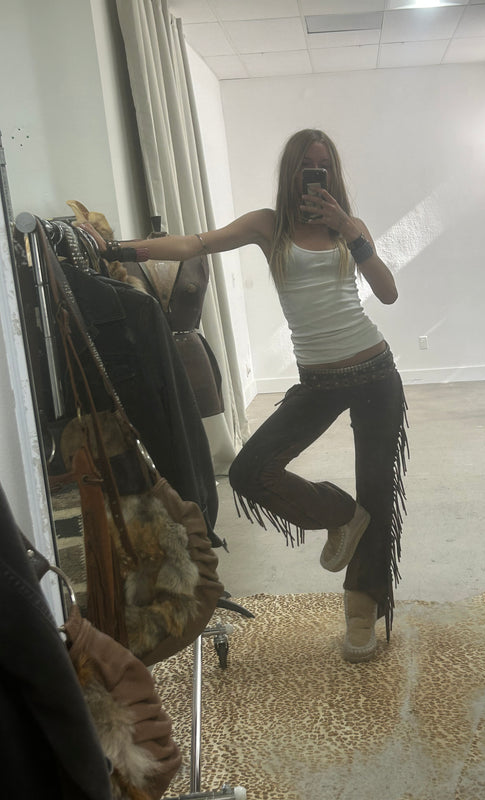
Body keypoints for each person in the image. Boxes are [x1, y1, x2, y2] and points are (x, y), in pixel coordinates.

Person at [81, 129, 408, 663]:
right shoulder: (268, 225)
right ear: (291, 172)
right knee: (250, 470)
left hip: (374, 371)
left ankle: (361, 609)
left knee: (378, 489)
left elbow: (388, 293)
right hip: (317, 381)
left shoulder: (352, 228)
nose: (317, 174)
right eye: (307, 165)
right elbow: (194, 244)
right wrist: (117, 249)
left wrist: (349, 230)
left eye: (325, 164)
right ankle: (340, 515)